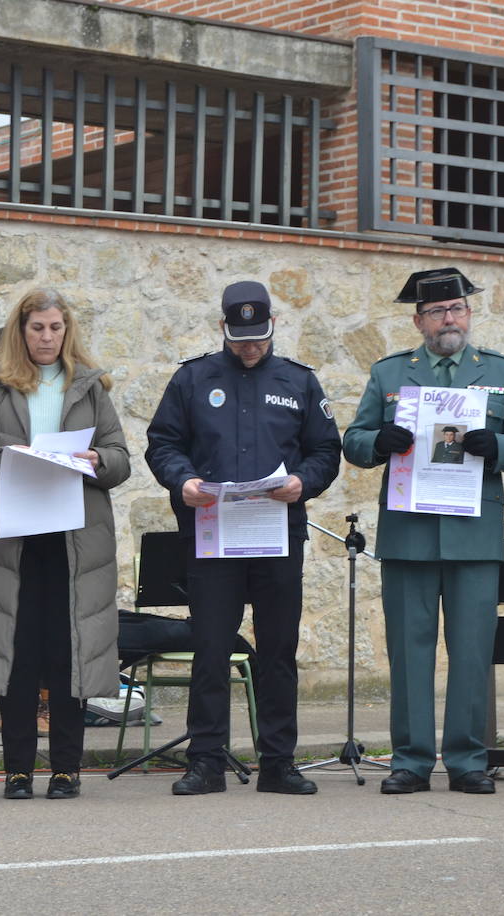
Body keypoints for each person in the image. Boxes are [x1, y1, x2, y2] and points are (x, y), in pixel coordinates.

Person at [343, 266, 504, 795]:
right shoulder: (390, 374)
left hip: (473, 532)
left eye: (456, 309)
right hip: (409, 531)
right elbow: (354, 440)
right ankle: (409, 760)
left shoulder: (500, 371)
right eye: (436, 311)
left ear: (469, 315)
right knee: (409, 649)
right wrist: (378, 442)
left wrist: (498, 448)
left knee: (472, 649)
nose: (447, 319)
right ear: (419, 320)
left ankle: (467, 759)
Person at [146, 280, 341, 796]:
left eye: (258, 337)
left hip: (278, 536)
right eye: (239, 338)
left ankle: (278, 762)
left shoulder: (299, 381)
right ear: (222, 329)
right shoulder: (192, 379)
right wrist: (182, 479)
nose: (250, 347)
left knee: (278, 650)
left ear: (273, 325)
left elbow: (326, 451)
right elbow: (163, 443)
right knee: (211, 649)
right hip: (214, 539)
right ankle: (206, 760)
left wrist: (305, 481)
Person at [0, 288, 131, 800]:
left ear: (67, 331)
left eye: (55, 328)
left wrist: (97, 460)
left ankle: (65, 769)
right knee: (19, 655)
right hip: (13, 542)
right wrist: (8, 456)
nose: (47, 337)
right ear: (22, 331)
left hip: (74, 544)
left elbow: (120, 458)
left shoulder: (92, 388)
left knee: (66, 654)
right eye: (38, 328)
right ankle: (16, 769)